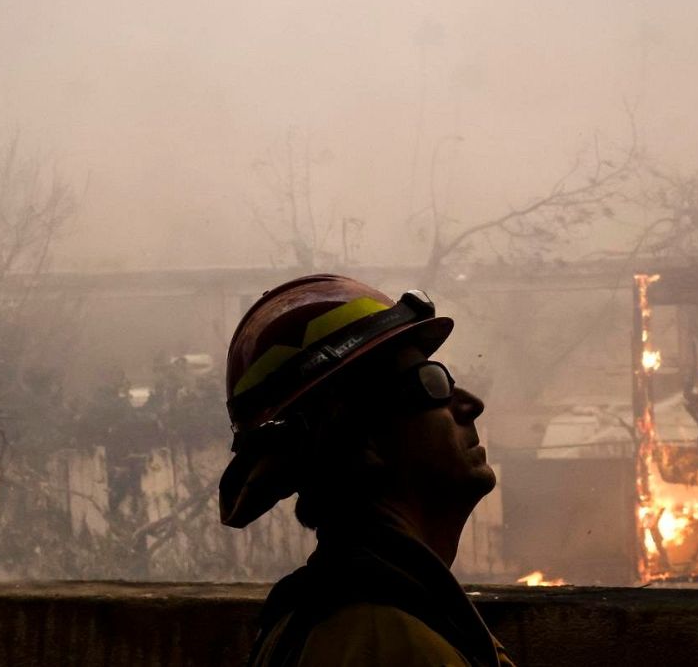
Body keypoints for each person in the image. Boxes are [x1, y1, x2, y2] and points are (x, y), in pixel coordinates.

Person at [219, 274, 514, 667]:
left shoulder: (368, 614)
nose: (470, 404)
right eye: (431, 383)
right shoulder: (389, 645)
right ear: (362, 442)